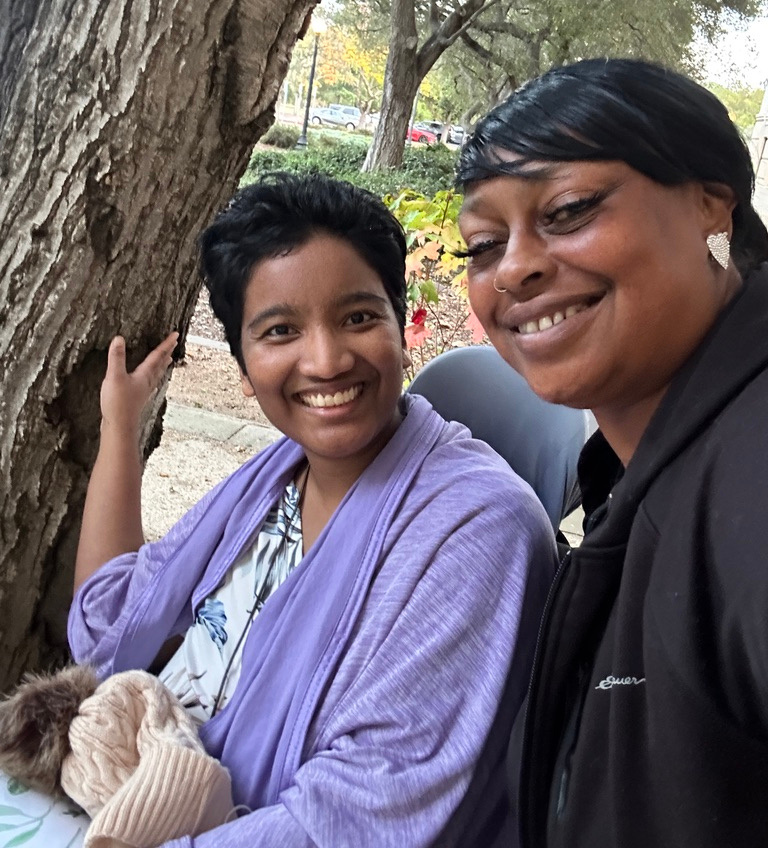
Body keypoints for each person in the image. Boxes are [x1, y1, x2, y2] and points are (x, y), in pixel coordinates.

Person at [61, 172, 556, 848]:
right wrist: (120, 427)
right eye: (280, 330)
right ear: (244, 367)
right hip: (131, 792)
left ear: (402, 331)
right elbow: (110, 620)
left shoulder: (478, 531)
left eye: (358, 318)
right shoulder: (273, 482)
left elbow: (358, 819)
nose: (325, 361)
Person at [453, 58, 768, 848]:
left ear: (711, 201)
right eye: (483, 244)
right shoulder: (638, 472)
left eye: (568, 210)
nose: (514, 267)